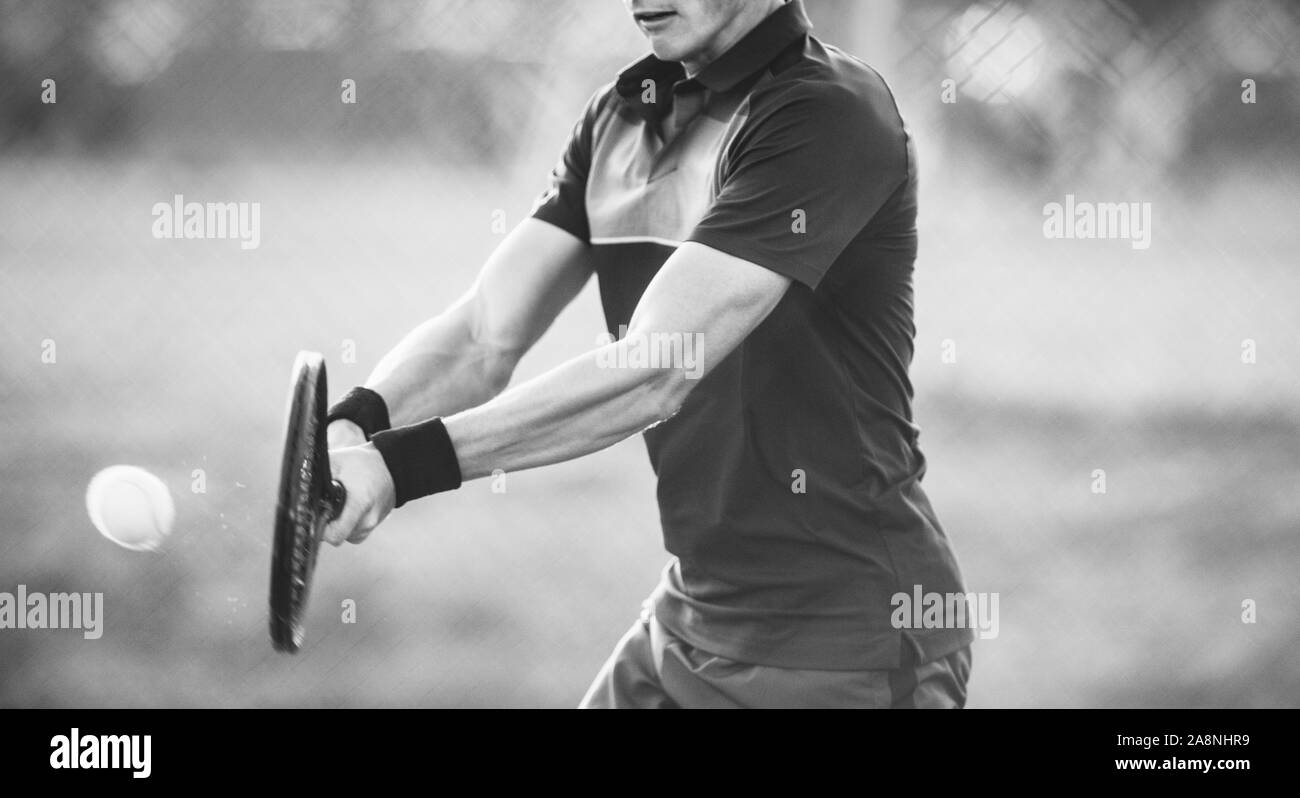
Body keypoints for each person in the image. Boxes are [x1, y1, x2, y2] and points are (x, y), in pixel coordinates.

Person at [321, 0, 974, 708]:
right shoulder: (620, 116)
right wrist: (358, 421)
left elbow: (659, 366)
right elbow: (485, 332)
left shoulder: (826, 113)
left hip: (845, 645)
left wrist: (399, 466)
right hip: (691, 613)